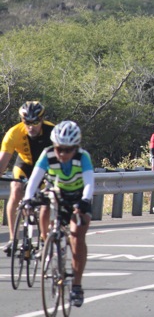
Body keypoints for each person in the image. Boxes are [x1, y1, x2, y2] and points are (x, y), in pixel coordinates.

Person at [22, 121, 93, 308]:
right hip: (57, 193)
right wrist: (28, 198)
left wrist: (85, 201)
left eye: (67, 150)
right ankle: (47, 243)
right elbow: (34, 179)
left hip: (78, 197)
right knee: (43, 206)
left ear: (75, 147)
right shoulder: (48, 154)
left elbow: (89, 183)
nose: (62, 154)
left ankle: (76, 286)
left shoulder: (83, 157)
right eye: (59, 149)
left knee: (78, 235)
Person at [0, 101, 54, 256]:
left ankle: (45, 238)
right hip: (25, 164)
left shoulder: (52, 131)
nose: (31, 126)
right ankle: (13, 238)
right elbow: (2, 161)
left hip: (46, 167)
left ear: (42, 119)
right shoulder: (14, 133)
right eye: (27, 122)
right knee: (16, 190)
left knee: (47, 200)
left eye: (35, 122)